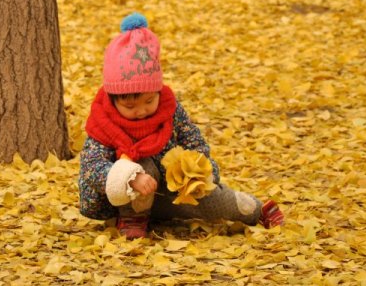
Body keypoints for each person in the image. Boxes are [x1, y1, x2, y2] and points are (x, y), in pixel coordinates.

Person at [78, 12, 284, 239]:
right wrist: (130, 178)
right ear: (113, 98)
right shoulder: (104, 121)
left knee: (214, 201)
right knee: (140, 161)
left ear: (158, 90)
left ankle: (255, 210)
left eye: (149, 101)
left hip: (169, 191)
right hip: (124, 197)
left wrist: (199, 171)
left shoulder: (169, 109)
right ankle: (133, 219)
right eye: (130, 106)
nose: (142, 111)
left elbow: (194, 141)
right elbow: (92, 166)